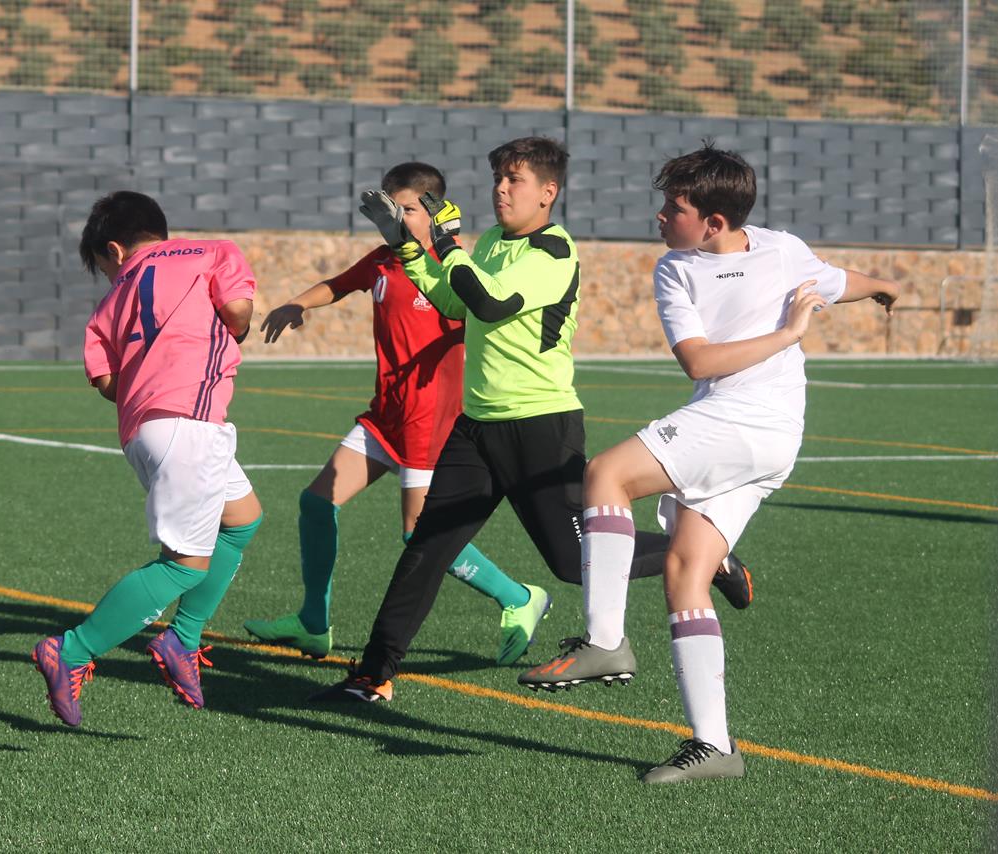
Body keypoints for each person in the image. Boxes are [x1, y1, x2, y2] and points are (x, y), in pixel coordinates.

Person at [312, 137, 753, 703]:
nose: (500, 189)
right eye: (498, 178)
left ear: (548, 192)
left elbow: (493, 303)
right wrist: (409, 250)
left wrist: (444, 243)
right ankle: (372, 676)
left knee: (574, 563)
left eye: (514, 180)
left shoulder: (555, 250)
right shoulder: (492, 242)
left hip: (542, 427)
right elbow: (455, 302)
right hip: (476, 428)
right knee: (426, 548)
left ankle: (707, 557)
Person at [519, 143, 900, 783]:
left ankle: (604, 640)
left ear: (714, 222)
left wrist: (802, 327)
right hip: (772, 439)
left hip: (742, 422)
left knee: (605, 475)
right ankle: (714, 747)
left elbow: (701, 360)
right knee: (684, 571)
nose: (662, 217)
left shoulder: (761, 253)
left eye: (674, 207)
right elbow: (835, 281)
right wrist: (882, 286)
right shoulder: (689, 265)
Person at [244, 162, 552, 667]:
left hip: (429, 419)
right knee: (317, 503)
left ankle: (519, 596)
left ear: (433, 212)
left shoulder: (454, 269)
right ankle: (313, 624)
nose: (397, 217)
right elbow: (339, 284)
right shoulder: (385, 260)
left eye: (407, 209)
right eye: (391, 208)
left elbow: (481, 316)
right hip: (386, 413)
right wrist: (299, 303)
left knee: (418, 532)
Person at [31, 190, 263, 722]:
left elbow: (108, 382)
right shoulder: (213, 252)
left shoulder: (110, 301)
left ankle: (183, 638)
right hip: (190, 424)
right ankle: (72, 650)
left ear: (115, 250)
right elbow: (237, 313)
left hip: (148, 429)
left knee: (243, 519)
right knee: (183, 565)